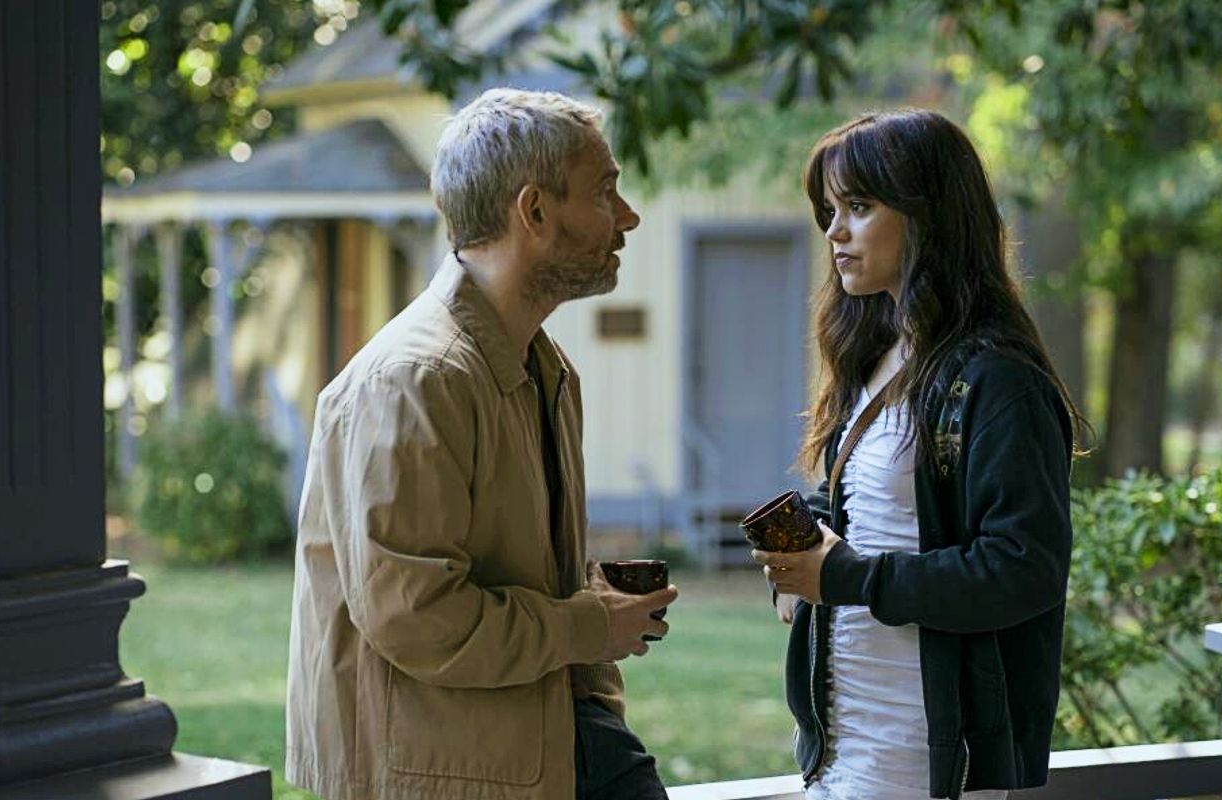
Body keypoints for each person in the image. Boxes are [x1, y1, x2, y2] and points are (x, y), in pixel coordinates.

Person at [286, 88, 677, 800]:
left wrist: (591, 604)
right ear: (533, 212)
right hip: (447, 767)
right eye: (605, 191)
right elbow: (417, 616)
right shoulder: (414, 380)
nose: (628, 217)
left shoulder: (544, 365)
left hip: (548, 736)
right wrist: (587, 625)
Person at [752, 109, 1089, 800]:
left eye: (859, 207)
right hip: (848, 747)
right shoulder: (881, 356)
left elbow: (1024, 569)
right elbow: (875, 512)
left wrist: (844, 578)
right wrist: (804, 554)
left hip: (933, 766)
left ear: (929, 214)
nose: (834, 231)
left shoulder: (998, 381)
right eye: (829, 210)